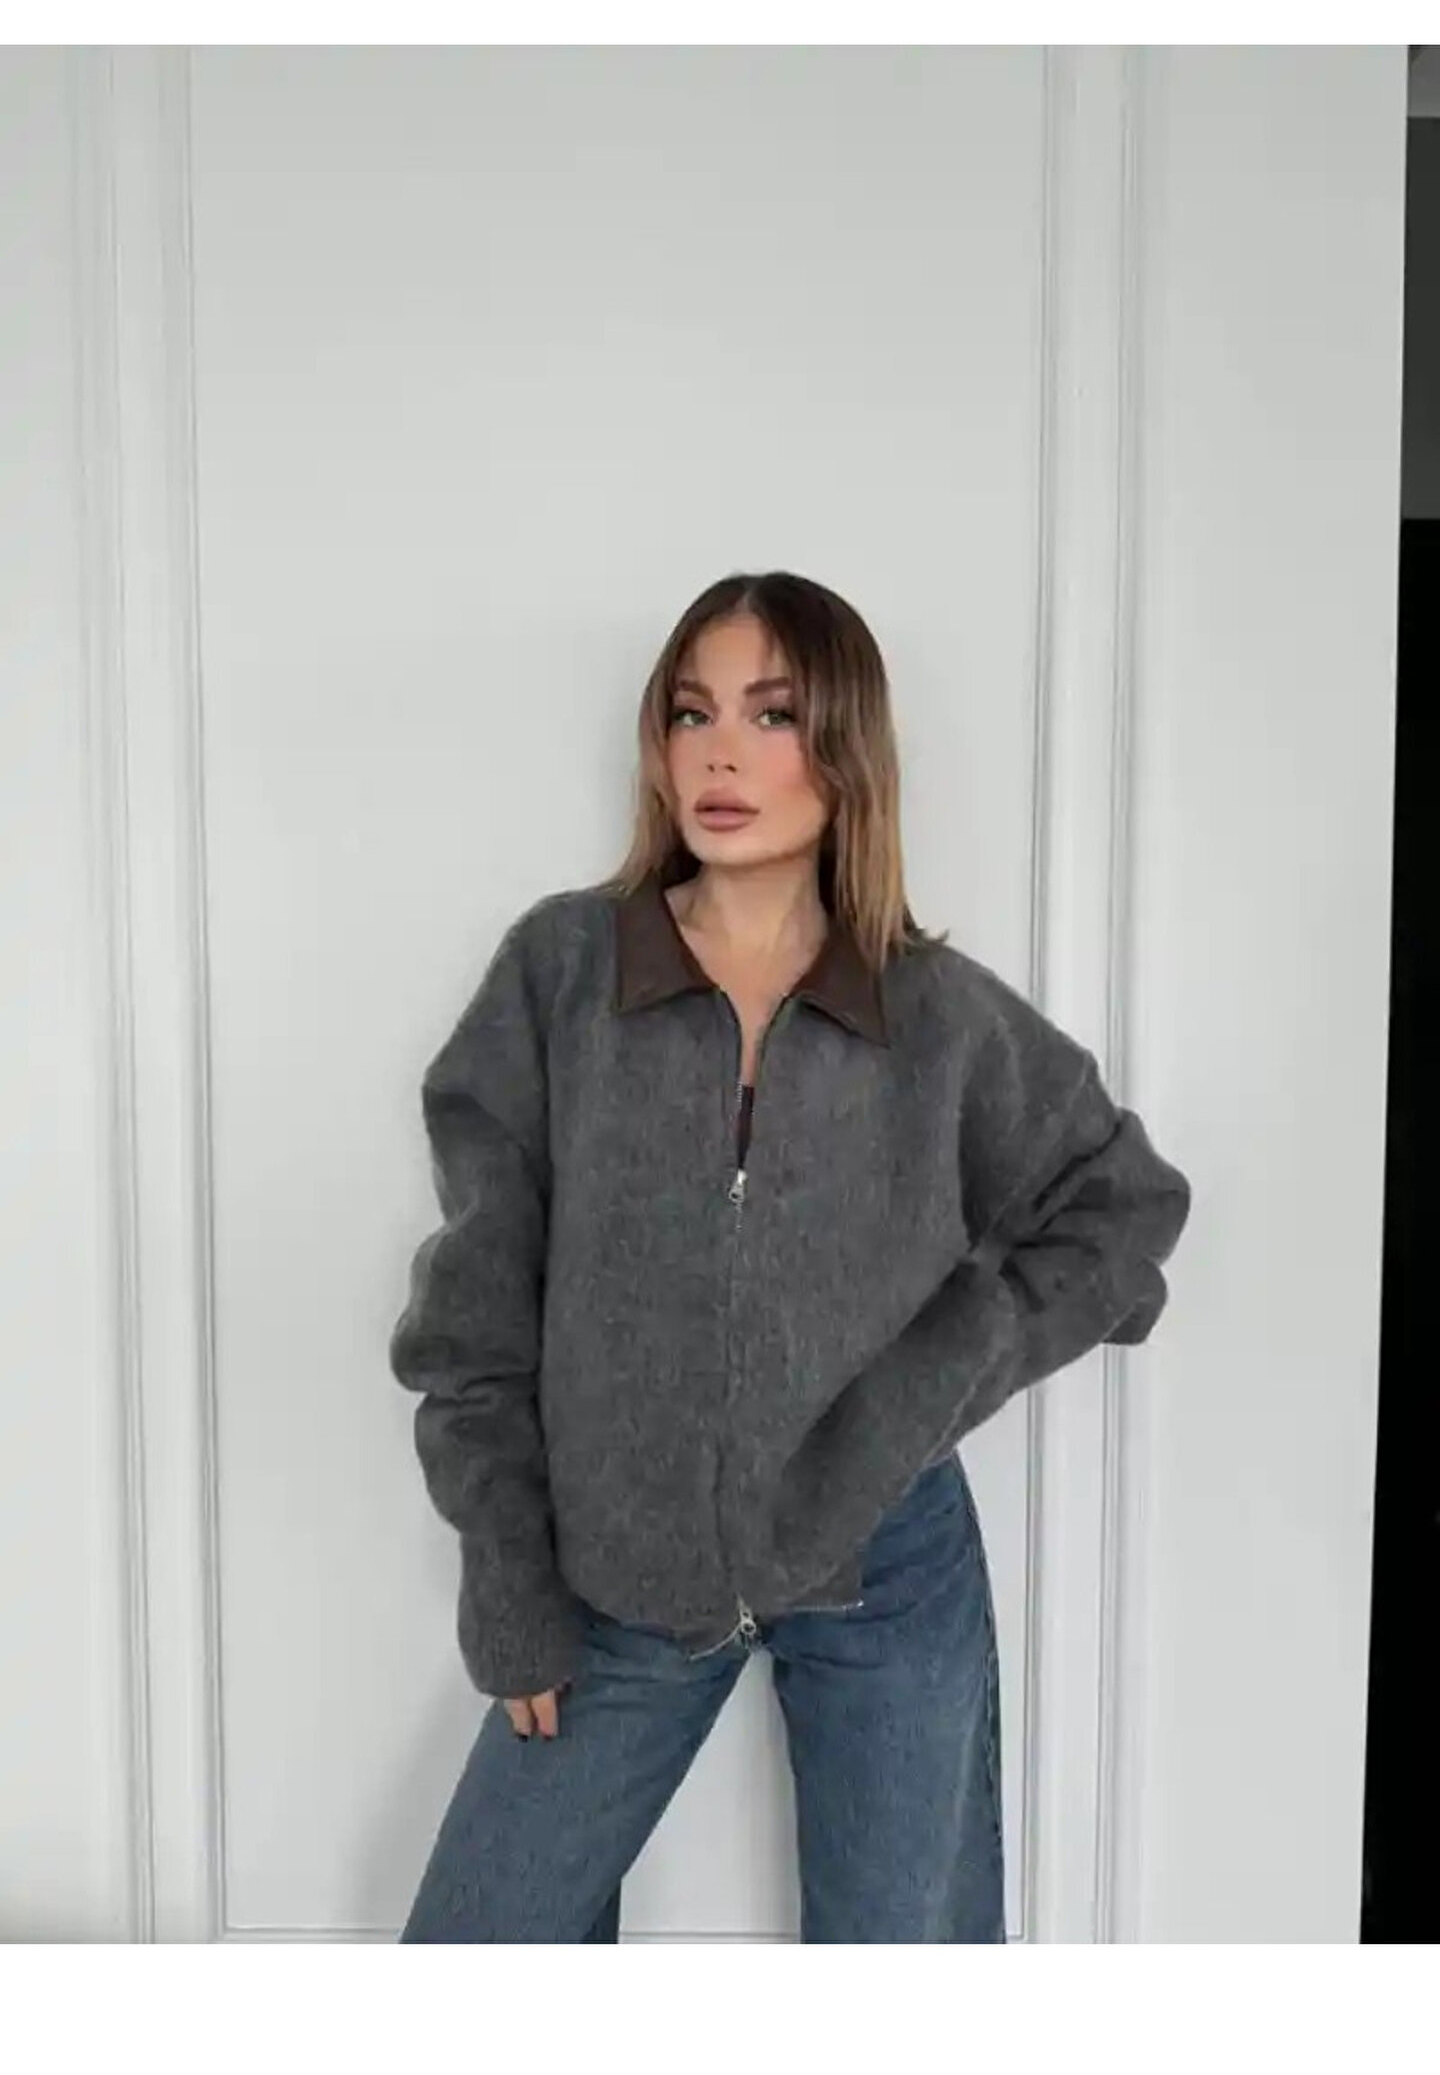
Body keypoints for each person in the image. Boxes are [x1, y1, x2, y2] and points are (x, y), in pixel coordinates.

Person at [388, 569, 1192, 1942]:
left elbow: (1122, 1206)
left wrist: (944, 1364)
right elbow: (476, 1310)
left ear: (845, 748)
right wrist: (510, 1581)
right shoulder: (566, 974)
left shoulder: (936, 1016)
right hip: (615, 1574)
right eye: (690, 712)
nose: (720, 752)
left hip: (885, 1567)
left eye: (771, 714)